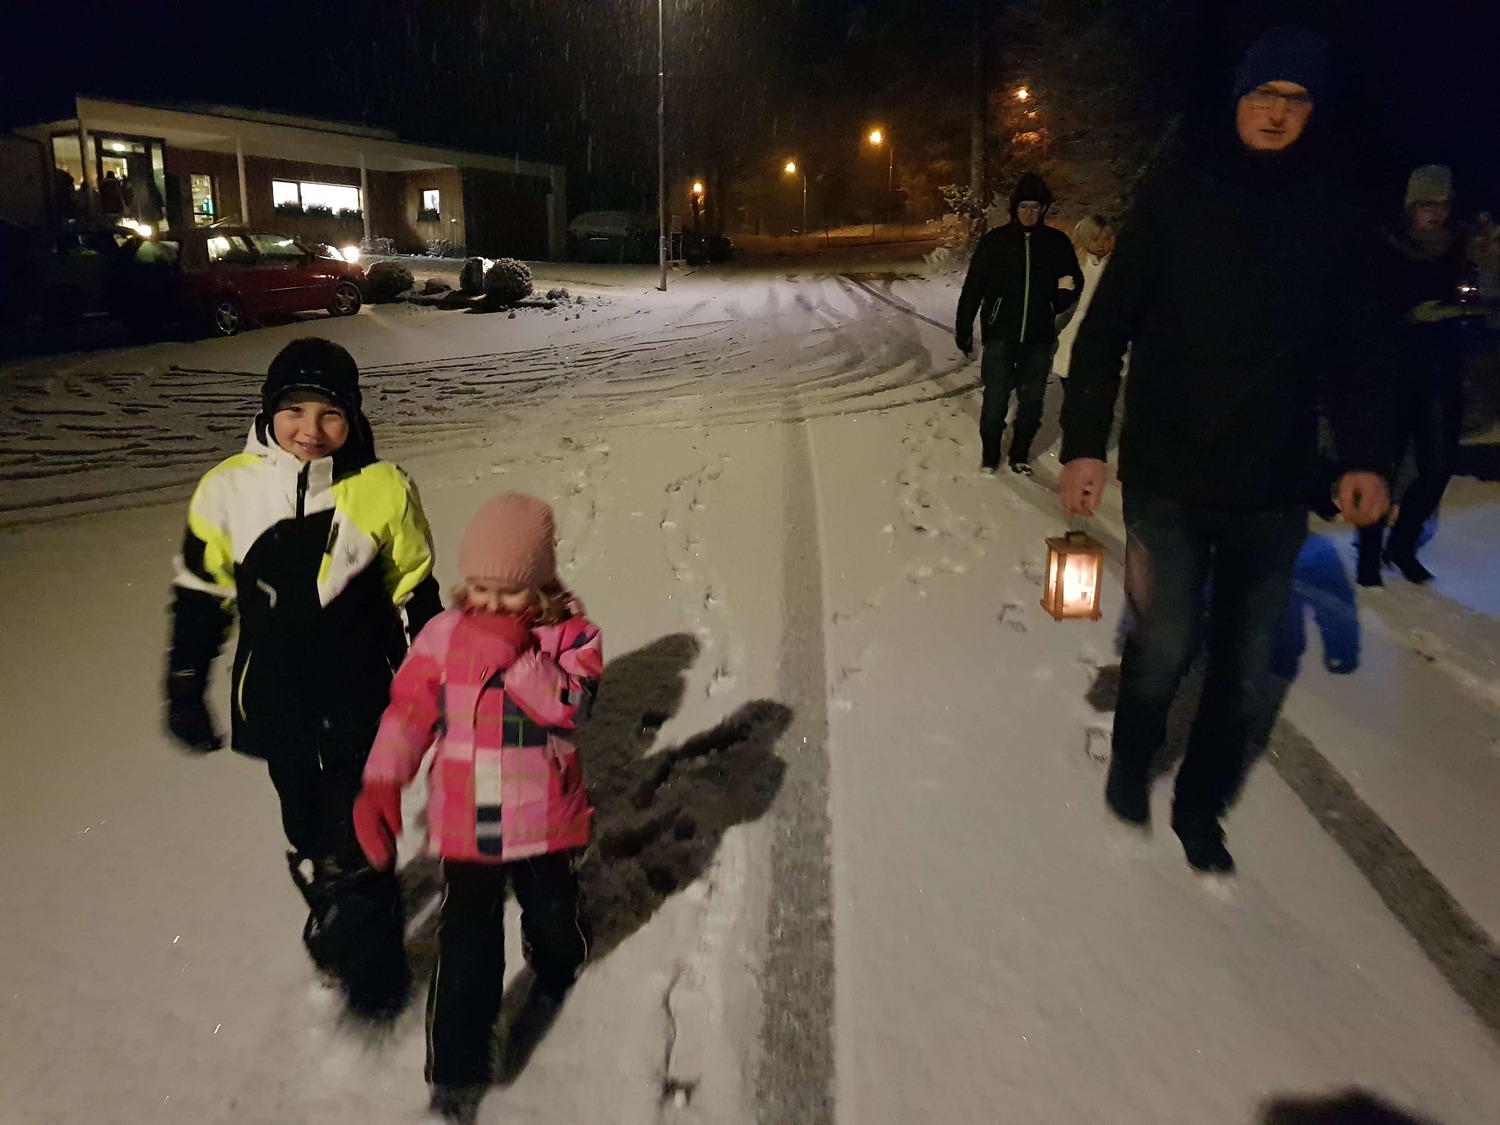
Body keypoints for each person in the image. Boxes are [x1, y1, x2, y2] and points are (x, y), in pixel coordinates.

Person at [1059, 26, 1392, 874]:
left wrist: (1363, 454)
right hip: (1169, 474)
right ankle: (1133, 758)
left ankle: (1201, 804)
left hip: (1274, 484)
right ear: (1238, 98)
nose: (1277, 113)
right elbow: (1105, 329)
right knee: (1166, 642)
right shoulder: (1178, 193)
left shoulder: (1332, 211)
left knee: (1244, 670)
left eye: (1296, 100)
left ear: (1314, 112)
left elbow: (1357, 348)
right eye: (1264, 95)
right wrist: (1085, 446)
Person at [164, 337, 442, 1014]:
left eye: (330, 413)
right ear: (270, 410)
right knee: (306, 826)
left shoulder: (382, 487)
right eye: (294, 410)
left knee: (359, 832)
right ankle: (331, 895)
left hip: (364, 699)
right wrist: (186, 681)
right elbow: (201, 593)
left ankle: (374, 971)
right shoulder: (228, 490)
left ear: (353, 417)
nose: (310, 430)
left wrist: (438, 677)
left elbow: (414, 587)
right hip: (277, 705)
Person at [353, 492, 602, 1122]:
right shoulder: (442, 636)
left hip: (542, 817)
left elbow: (572, 709)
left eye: (510, 592)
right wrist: (382, 782)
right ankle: (457, 1070)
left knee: (553, 913)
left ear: (541, 584)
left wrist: (520, 659)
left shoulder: (570, 636)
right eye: (481, 589)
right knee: (466, 943)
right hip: (467, 821)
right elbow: (408, 713)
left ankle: (559, 960)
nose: (491, 604)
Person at [1356, 165, 1470, 586]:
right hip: (1390, 373)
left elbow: (1469, 294)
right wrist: (1405, 318)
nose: (1437, 213)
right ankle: (1369, 552)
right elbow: (1365, 309)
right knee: (1379, 467)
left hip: (1438, 370)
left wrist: (1461, 312)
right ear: (1411, 206)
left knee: (1437, 464)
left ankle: (1402, 544)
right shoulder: (1385, 246)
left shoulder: (1458, 247)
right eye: (1427, 205)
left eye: (1443, 205)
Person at [956, 171, 1083, 476]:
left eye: (1035, 207)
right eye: (1024, 206)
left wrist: (1058, 301)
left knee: (1031, 401)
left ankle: (1020, 453)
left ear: (1043, 209)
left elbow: (1072, 278)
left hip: (1039, 337)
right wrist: (964, 327)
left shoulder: (1055, 242)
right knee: (996, 398)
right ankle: (990, 454)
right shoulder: (995, 242)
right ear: (1014, 208)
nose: (1029, 213)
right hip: (1001, 335)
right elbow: (974, 287)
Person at [1052, 215, 1117, 382]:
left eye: (1107, 239)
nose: (1102, 244)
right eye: (1095, 239)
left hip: (1104, 335)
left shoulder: (1116, 268)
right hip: (1071, 332)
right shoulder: (1073, 265)